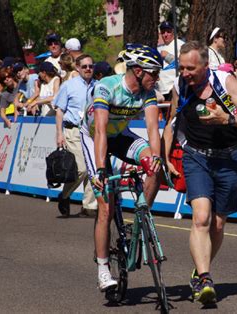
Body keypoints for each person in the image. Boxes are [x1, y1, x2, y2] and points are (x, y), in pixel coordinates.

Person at [163, 41, 237, 304]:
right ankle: (206, 278)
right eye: (182, 68)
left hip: (228, 157)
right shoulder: (179, 85)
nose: (185, 73)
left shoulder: (225, 82)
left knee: (218, 223)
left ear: (206, 66)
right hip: (196, 157)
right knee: (201, 217)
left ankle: (199, 269)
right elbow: (171, 124)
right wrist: (166, 157)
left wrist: (226, 119)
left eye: (191, 69)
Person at [80, 44, 163, 291]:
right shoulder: (107, 86)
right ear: (138, 70)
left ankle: (141, 216)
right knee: (105, 204)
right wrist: (101, 170)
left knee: (154, 166)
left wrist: (156, 157)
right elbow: (101, 131)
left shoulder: (148, 91)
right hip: (95, 137)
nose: (157, 78)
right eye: (154, 73)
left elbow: (152, 129)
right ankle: (103, 269)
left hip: (122, 136)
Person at [54, 54, 97, 218]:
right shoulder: (69, 86)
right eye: (84, 66)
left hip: (92, 132)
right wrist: (59, 134)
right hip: (73, 131)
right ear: (78, 68)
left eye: (90, 66)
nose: (88, 69)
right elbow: (59, 110)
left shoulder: (98, 86)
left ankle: (89, 206)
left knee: (93, 169)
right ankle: (64, 195)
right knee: (82, 168)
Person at [157, 21, 185, 99]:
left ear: (173, 32)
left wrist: (168, 56)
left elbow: (185, 66)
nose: (165, 35)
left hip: (173, 88)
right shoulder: (158, 48)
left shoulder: (180, 45)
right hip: (160, 90)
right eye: (163, 32)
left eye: (168, 32)